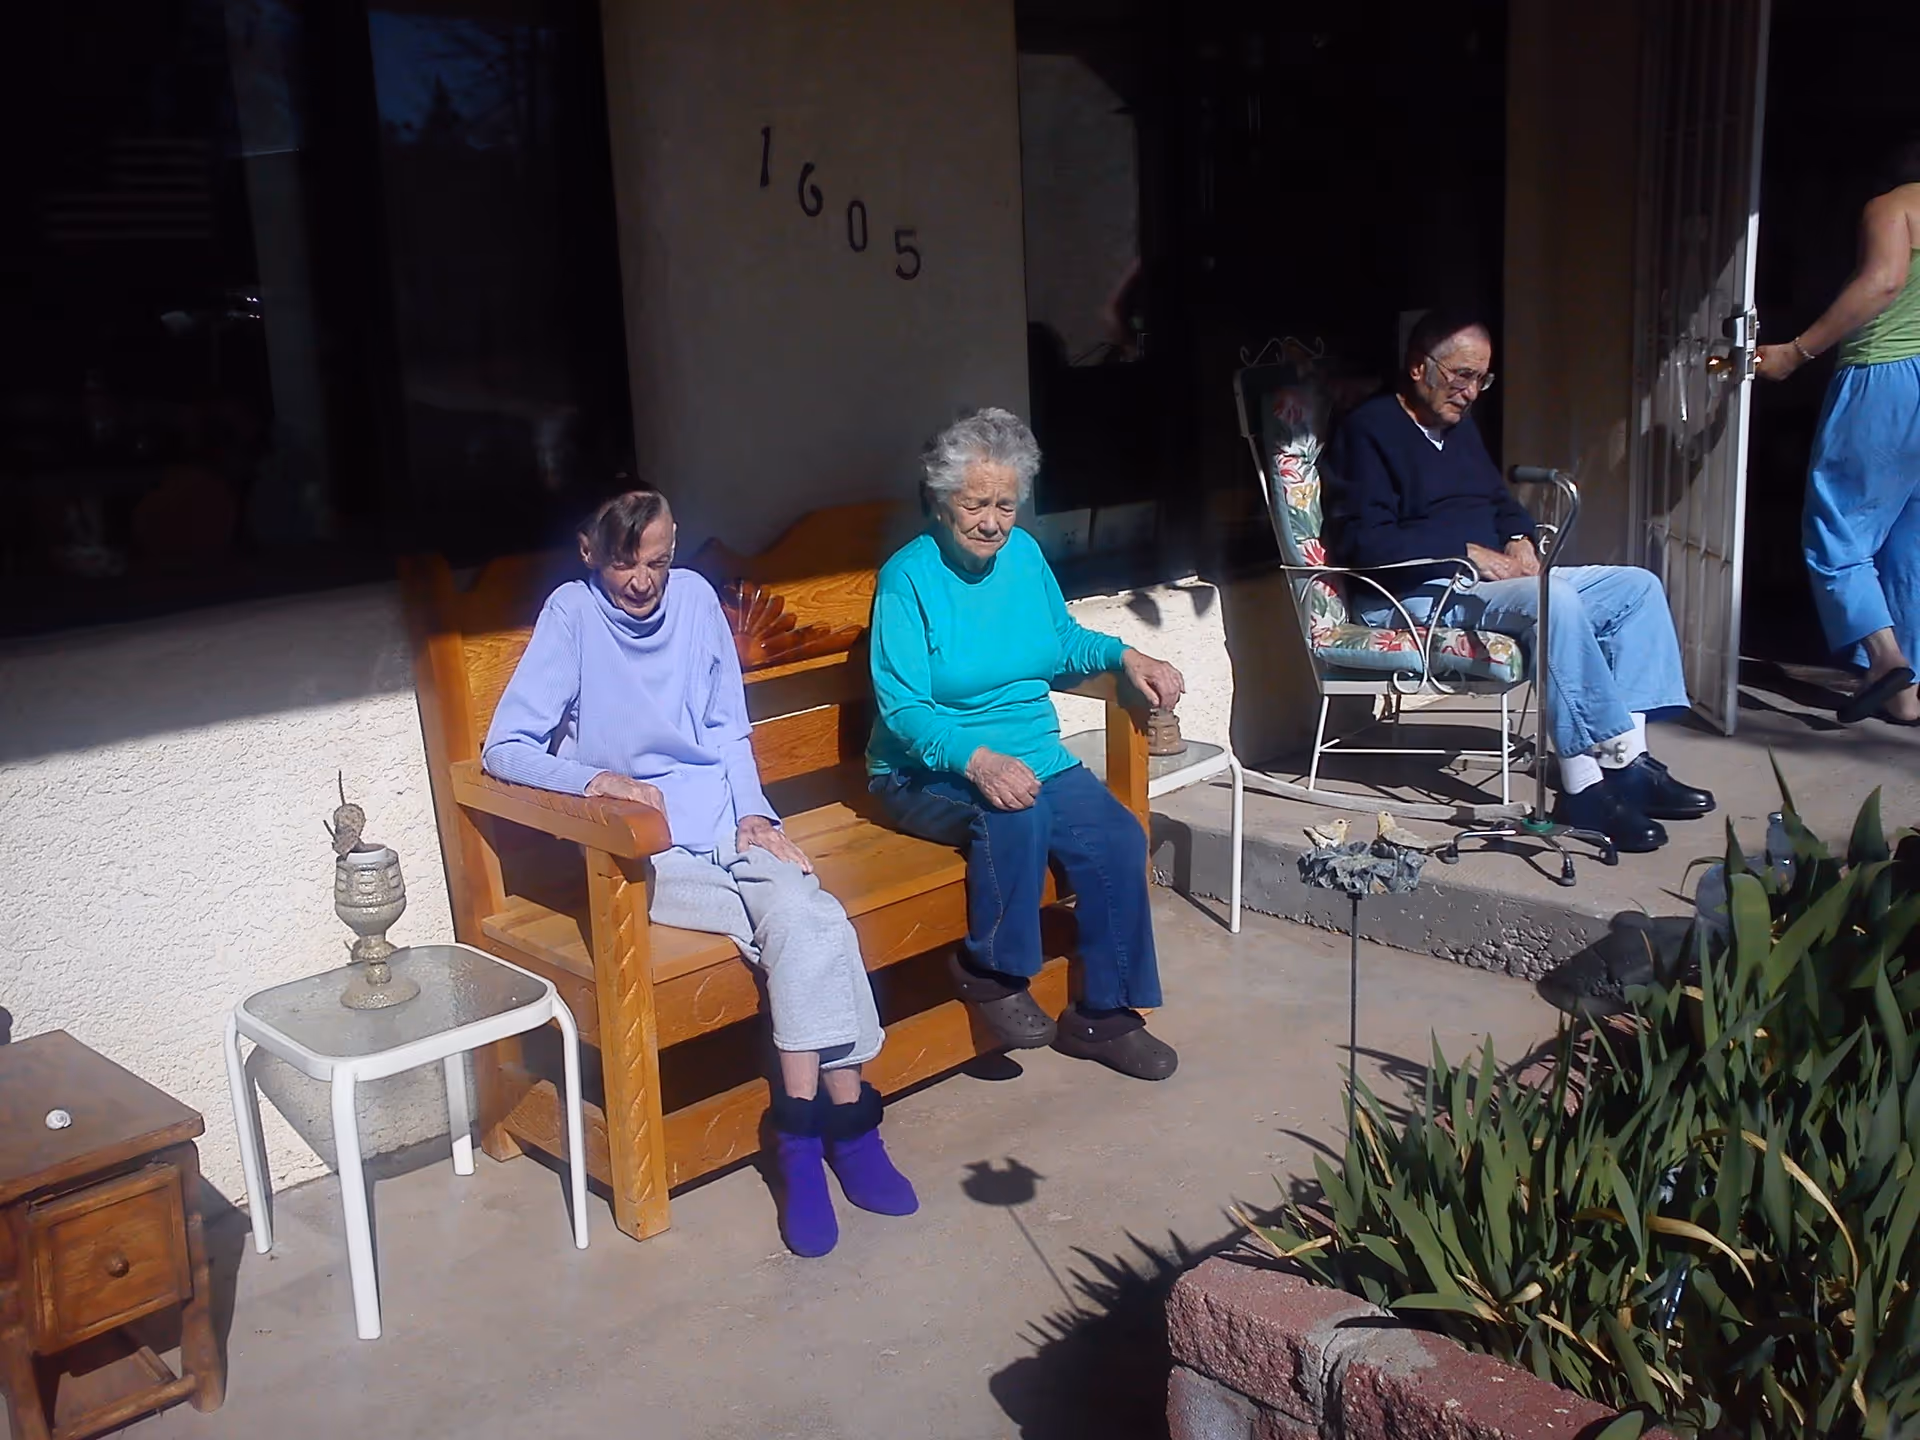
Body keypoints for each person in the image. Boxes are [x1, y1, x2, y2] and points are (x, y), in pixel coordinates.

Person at [482, 488, 914, 1258]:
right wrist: (594, 782)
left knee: (810, 917)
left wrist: (756, 816)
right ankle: (844, 1134)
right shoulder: (572, 617)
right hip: (647, 852)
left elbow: (725, 728)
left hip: (729, 826)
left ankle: (805, 1137)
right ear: (589, 552)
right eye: (625, 563)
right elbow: (504, 748)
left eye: (658, 558)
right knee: (813, 923)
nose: (644, 580)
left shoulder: (694, 601)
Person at [866, 408, 1187, 1080]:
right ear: (940, 499)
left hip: (1032, 755)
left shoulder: (1024, 556)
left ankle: (1105, 1016)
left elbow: (1060, 643)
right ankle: (991, 971)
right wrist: (976, 760)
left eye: (1005, 504)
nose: (991, 521)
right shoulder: (909, 578)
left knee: (1118, 839)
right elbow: (903, 710)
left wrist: (1125, 654)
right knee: (1016, 810)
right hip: (923, 772)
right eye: (975, 503)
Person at [1321, 312, 1716, 853]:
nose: (1471, 392)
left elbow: (1499, 503)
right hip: (1414, 594)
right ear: (1419, 367)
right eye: (1462, 375)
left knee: (1636, 588)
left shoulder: (1458, 429)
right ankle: (1587, 786)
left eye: (1482, 379)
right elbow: (1361, 543)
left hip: (1480, 585)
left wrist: (1519, 539)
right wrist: (1469, 553)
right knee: (1553, 601)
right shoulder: (1368, 432)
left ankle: (1629, 764)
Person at [1755, 138, 1920, 725]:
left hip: (1886, 376)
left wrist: (1797, 352)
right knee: (1908, 539)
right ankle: (1907, 692)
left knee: (1837, 529)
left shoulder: (1893, 206)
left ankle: (1885, 661)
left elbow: (1883, 282)